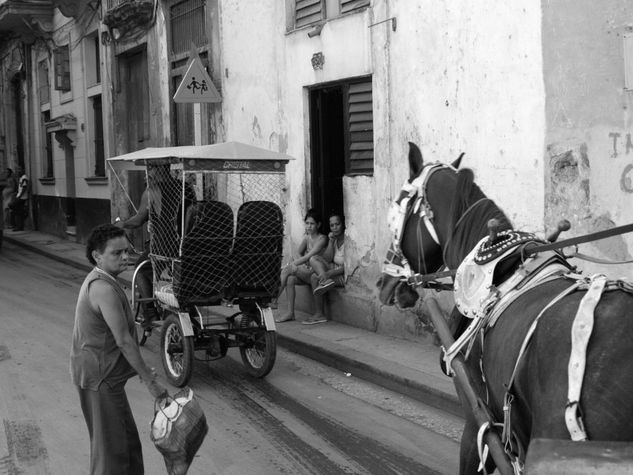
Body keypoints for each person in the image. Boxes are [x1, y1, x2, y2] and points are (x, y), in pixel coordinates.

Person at [70, 224, 167, 475]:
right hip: (99, 378)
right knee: (112, 453)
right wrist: (150, 381)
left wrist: (141, 370)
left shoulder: (106, 280)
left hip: (105, 377)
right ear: (97, 256)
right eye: (116, 253)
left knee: (126, 444)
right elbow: (123, 340)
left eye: (126, 251)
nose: (125, 257)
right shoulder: (102, 288)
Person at [116, 164, 194, 335]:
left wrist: (122, 224)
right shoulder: (185, 187)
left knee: (140, 269)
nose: (147, 174)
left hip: (163, 244)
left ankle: (150, 313)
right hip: (187, 243)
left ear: (158, 170)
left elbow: (139, 220)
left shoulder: (152, 191)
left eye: (149, 169)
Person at [275, 208, 328, 323]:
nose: (309, 226)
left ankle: (274, 298)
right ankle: (290, 313)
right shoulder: (307, 238)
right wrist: (299, 264)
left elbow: (309, 256)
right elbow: (298, 253)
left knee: (287, 270)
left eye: (312, 224)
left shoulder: (322, 239)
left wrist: (293, 265)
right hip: (307, 272)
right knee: (290, 279)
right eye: (307, 223)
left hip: (316, 273)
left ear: (318, 225)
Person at [305, 212, 346, 325]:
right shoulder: (335, 239)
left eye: (337, 224)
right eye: (332, 225)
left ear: (343, 224)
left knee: (314, 265)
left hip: (343, 275)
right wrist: (331, 241)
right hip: (333, 271)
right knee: (314, 275)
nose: (334, 228)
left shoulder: (349, 241)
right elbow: (328, 258)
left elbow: (347, 268)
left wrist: (329, 274)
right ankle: (320, 314)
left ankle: (325, 280)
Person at [10, 166, 28, 231]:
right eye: (17, 170)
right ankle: (18, 226)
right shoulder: (21, 178)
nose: (18, 171)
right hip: (19, 197)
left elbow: (24, 188)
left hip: (22, 198)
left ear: (23, 170)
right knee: (17, 211)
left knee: (13, 207)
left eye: (19, 169)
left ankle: (18, 226)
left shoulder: (24, 178)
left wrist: (19, 196)